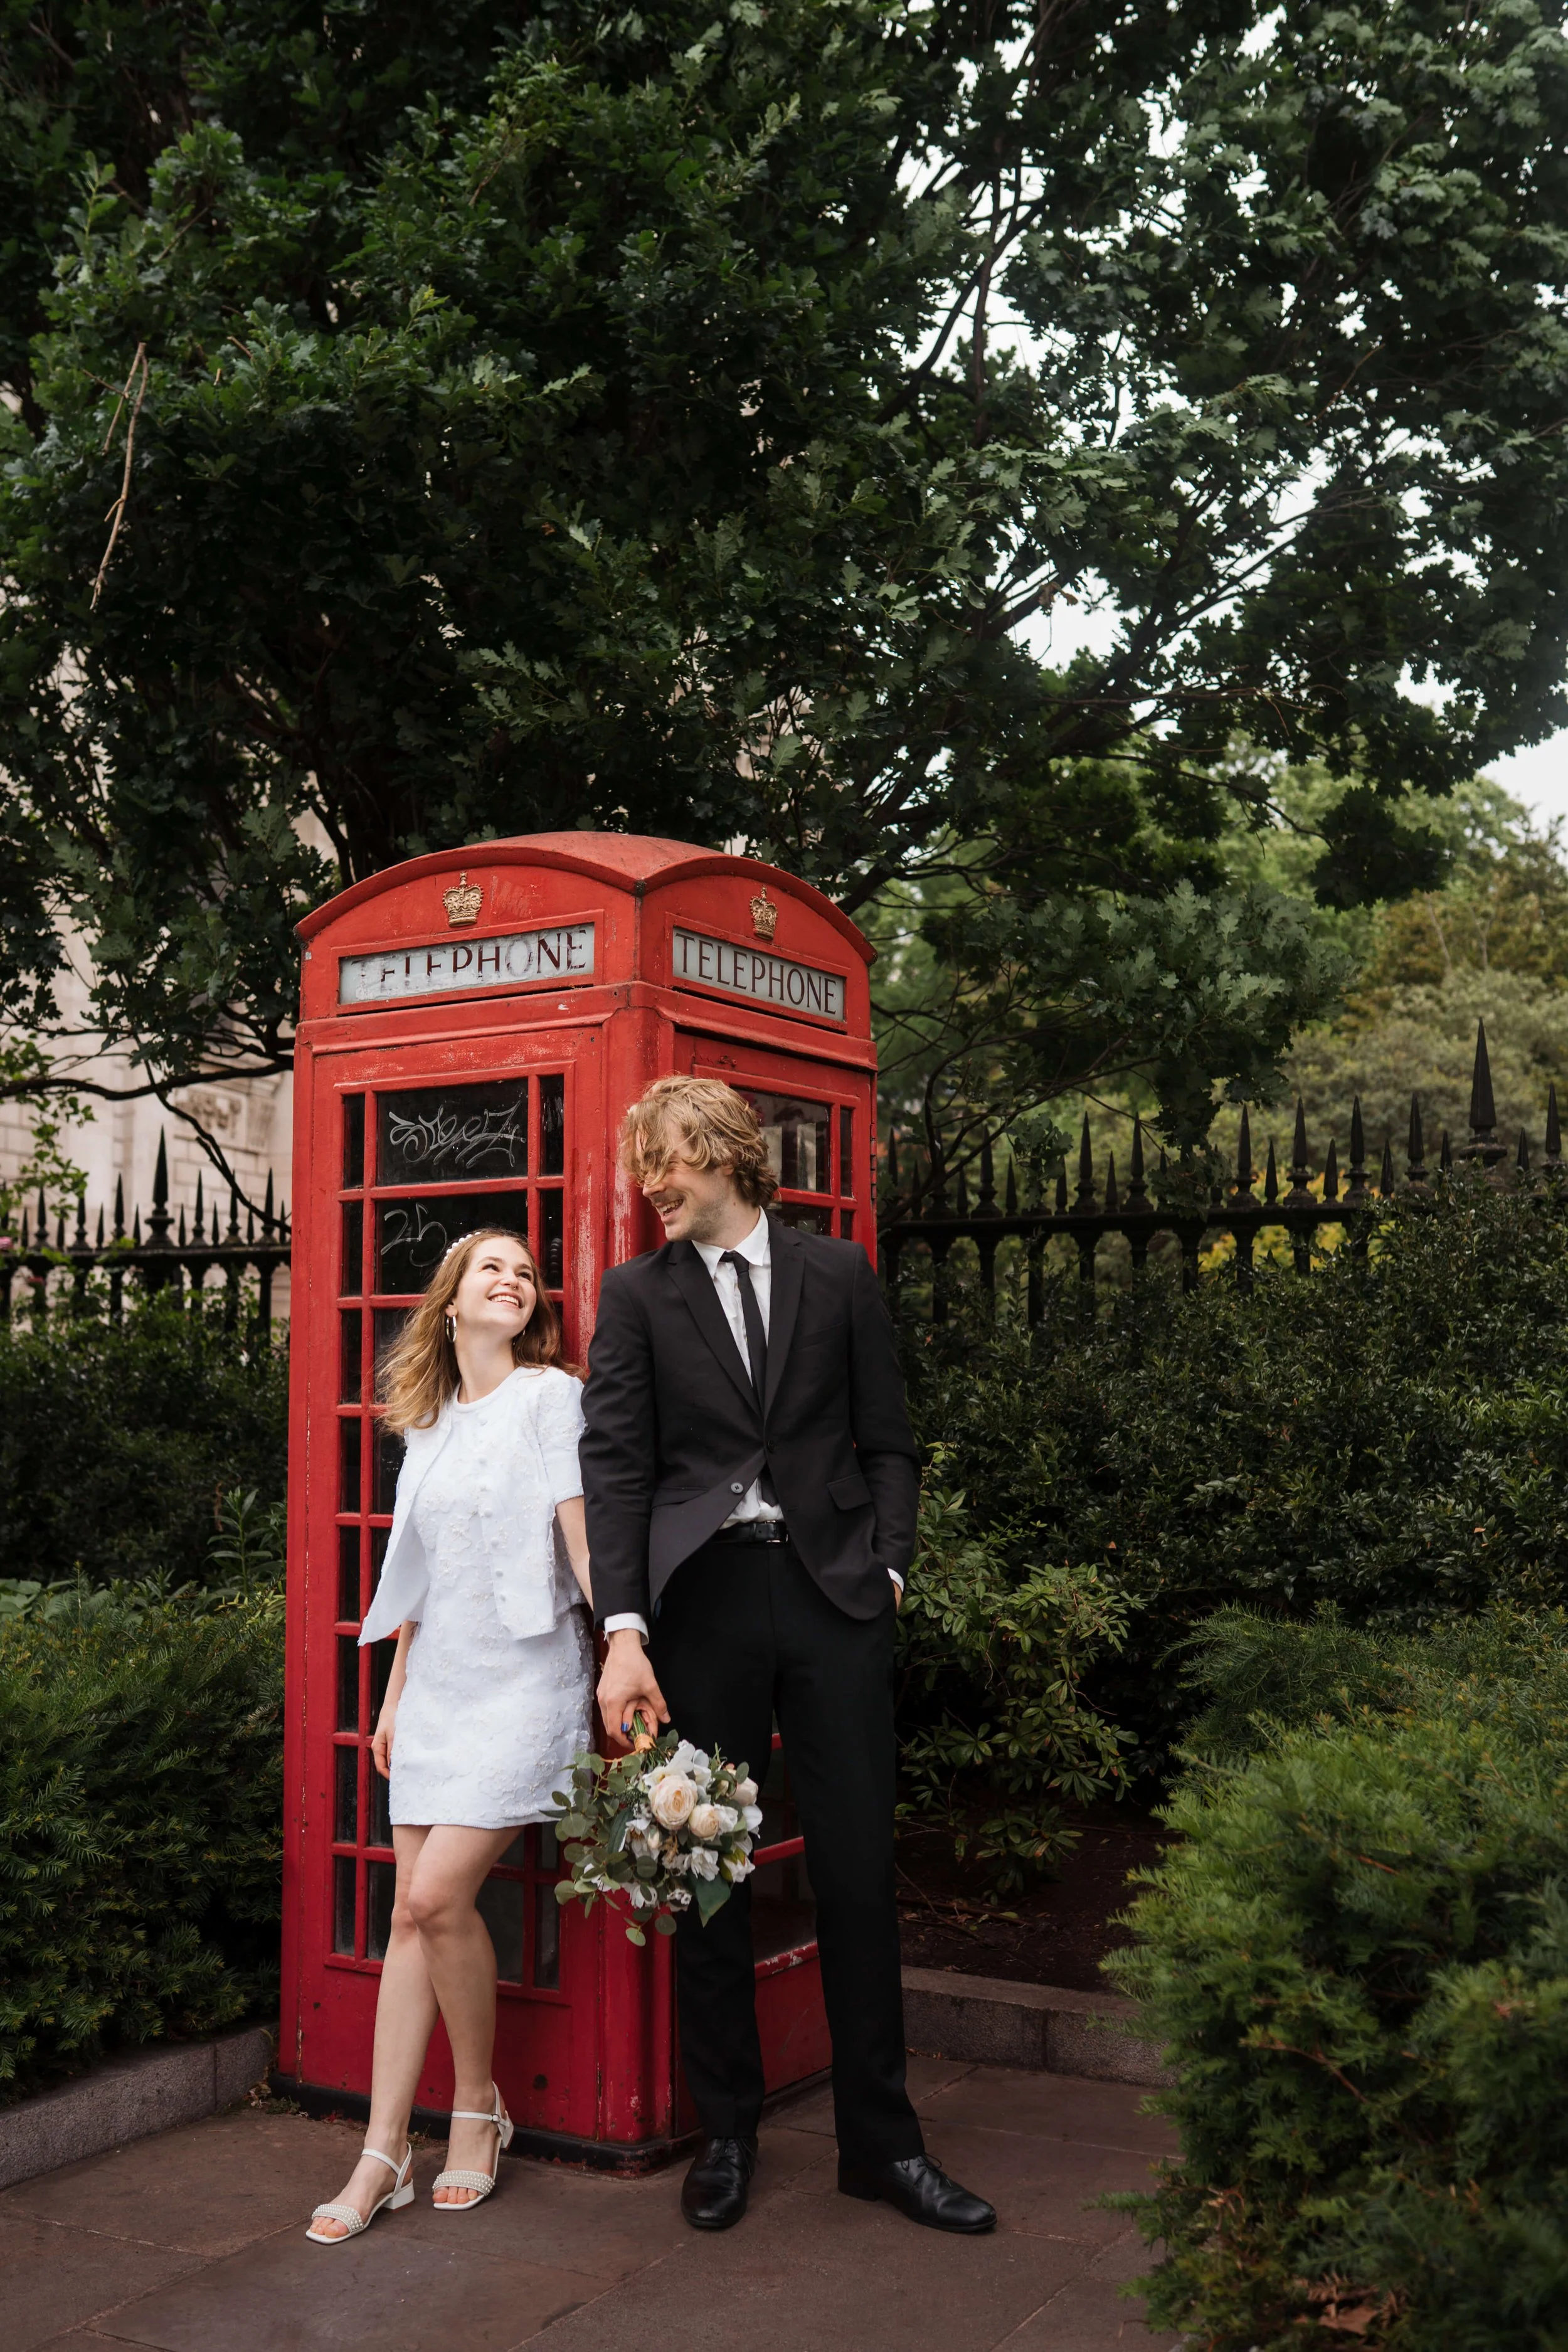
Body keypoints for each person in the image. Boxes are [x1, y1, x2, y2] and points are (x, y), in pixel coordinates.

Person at [580, 1077, 996, 2235]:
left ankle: (884, 2145)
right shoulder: (639, 1294)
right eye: (642, 1165)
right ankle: (727, 2133)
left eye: (665, 1160)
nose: (650, 1185)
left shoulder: (838, 1273)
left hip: (831, 1595)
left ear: (723, 1151)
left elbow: (889, 1440)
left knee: (856, 1871)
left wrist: (890, 1568)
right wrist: (624, 1629)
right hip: (702, 1606)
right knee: (708, 1873)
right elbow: (616, 1470)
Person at [305, 1227, 593, 2243]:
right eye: (492, 1268)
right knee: (405, 1917)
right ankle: (382, 2151)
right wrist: (393, 1696)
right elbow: (416, 1575)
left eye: (526, 1272)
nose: (513, 1279)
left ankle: (477, 2104)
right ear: (453, 1300)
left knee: (434, 1897)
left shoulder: (549, 1397)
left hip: (528, 1677)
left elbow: (580, 1531)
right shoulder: (426, 1422)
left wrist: (629, 1646)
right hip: (437, 1687)